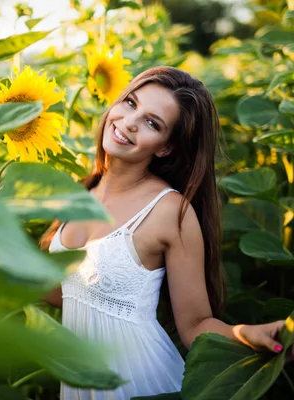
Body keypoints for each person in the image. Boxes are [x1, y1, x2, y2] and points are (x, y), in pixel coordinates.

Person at [40, 66, 291, 399]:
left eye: (151, 123)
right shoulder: (78, 193)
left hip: (141, 384)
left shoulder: (169, 211)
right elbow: (66, 292)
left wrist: (249, 333)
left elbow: (196, 326)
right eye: (130, 103)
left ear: (165, 148)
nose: (130, 121)